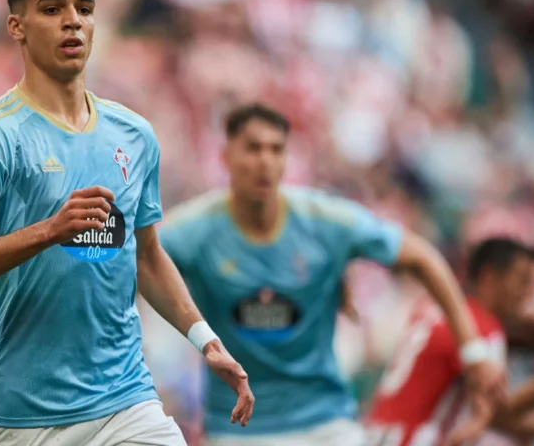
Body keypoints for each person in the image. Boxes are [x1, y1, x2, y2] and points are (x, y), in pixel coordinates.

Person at [0, 0, 254, 446]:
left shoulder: (134, 135)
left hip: (124, 399)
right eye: (52, 8)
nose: (72, 21)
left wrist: (205, 341)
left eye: (84, 7)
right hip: (20, 416)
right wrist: (49, 231)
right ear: (17, 26)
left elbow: (146, 255)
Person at [157, 104, 505, 446]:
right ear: (225, 156)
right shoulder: (195, 230)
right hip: (237, 427)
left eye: (276, 150)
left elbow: (423, 258)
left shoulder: (325, 221)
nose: (265, 161)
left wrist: (473, 351)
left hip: (324, 421)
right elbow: (139, 258)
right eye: (253, 148)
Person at [365, 238, 534, 446]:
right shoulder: (484, 329)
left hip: (376, 433)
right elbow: (499, 415)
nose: (529, 292)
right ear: (489, 276)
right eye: (522, 280)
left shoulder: (433, 307)